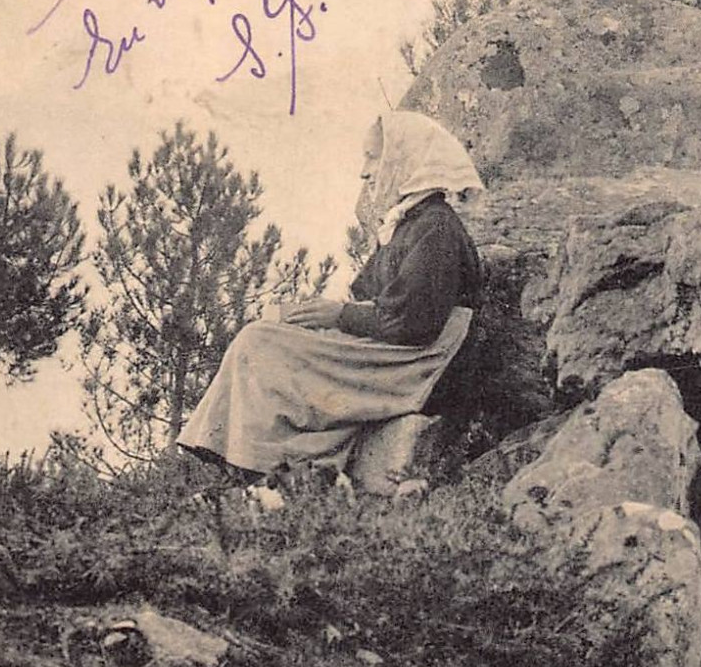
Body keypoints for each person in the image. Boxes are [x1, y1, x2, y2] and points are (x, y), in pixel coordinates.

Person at [178, 111, 484, 481]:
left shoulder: (436, 228)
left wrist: (336, 317)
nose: (365, 171)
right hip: (398, 349)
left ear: (404, 159)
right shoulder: (410, 224)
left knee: (260, 342)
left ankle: (256, 467)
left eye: (374, 157)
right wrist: (314, 317)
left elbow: (412, 323)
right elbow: (369, 298)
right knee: (271, 335)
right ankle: (260, 465)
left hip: (416, 360)